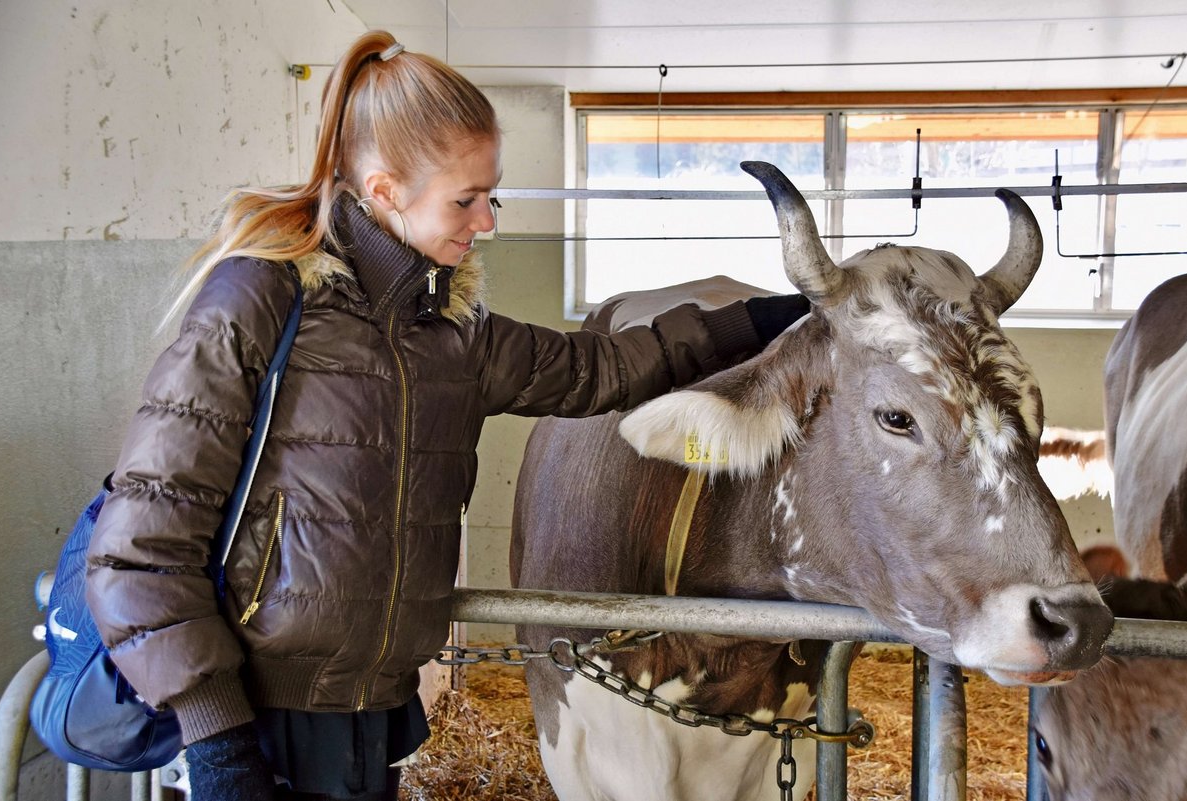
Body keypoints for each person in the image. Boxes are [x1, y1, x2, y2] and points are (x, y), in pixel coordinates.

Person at [84, 29, 809, 801]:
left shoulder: (453, 332)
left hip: (372, 715)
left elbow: (598, 369)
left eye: (489, 195)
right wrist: (220, 742)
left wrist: (756, 322)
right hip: (253, 722)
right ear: (385, 188)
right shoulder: (260, 299)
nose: (487, 221)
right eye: (466, 199)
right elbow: (138, 550)